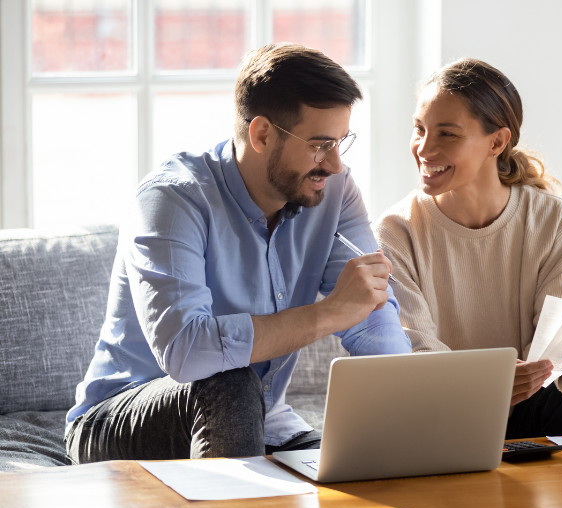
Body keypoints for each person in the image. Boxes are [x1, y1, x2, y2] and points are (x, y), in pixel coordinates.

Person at [65, 43, 411, 463]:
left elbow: (372, 313)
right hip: (120, 418)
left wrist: (407, 409)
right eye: (320, 144)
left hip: (264, 421)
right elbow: (187, 351)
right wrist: (328, 313)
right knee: (229, 382)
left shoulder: (334, 191)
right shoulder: (173, 200)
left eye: (341, 142)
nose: (335, 164)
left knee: (365, 468)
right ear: (262, 134)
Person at [374, 59, 562, 438]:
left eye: (447, 134)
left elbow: (559, 347)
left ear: (497, 142)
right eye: (419, 129)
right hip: (442, 410)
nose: (424, 148)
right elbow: (414, 352)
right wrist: (489, 384)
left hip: (532, 401)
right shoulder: (395, 231)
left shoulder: (554, 220)